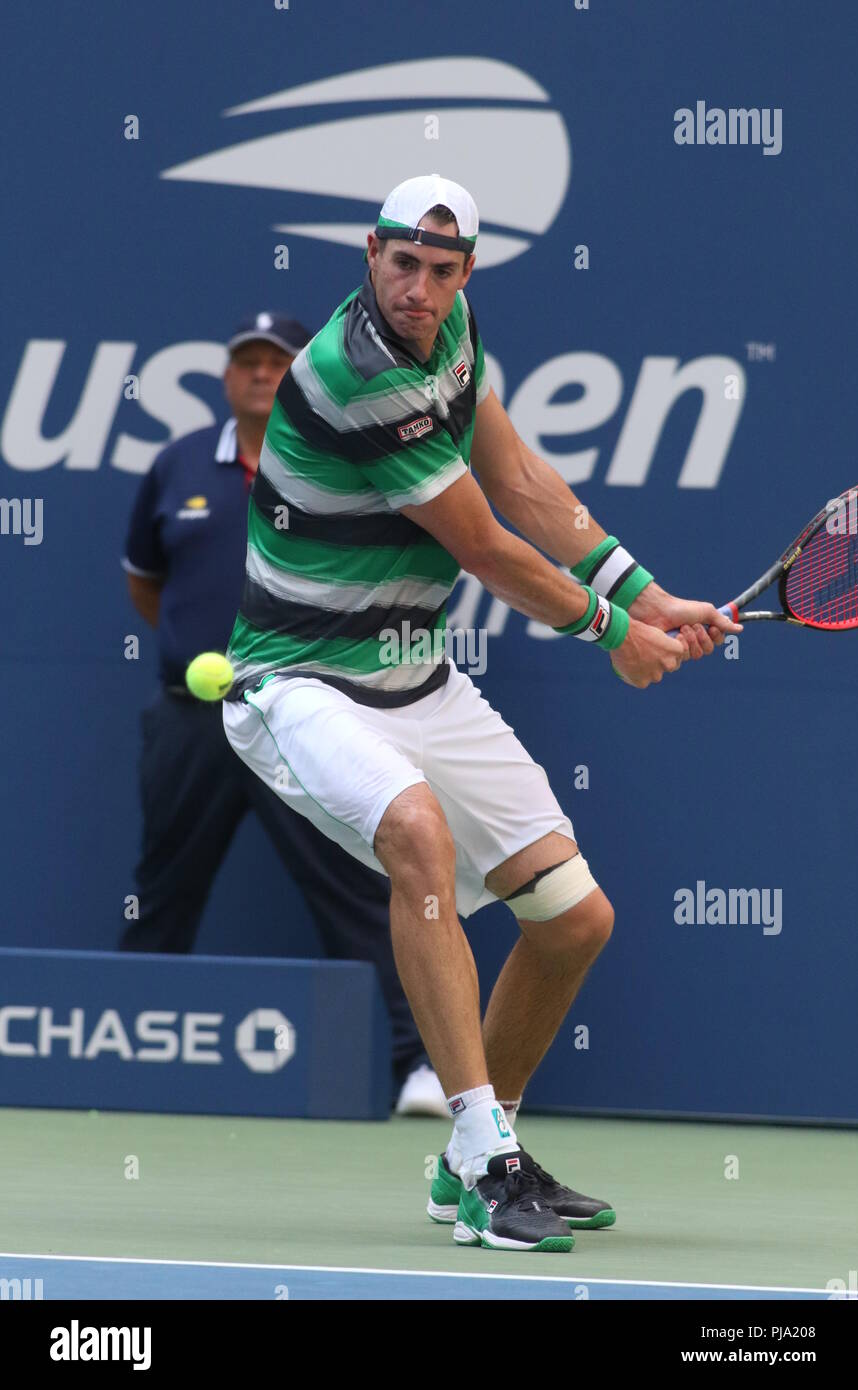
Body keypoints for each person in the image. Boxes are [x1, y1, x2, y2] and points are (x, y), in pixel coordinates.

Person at [222, 176, 741, 1252]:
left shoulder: (453, 332)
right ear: (370, 253)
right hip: (297, 682)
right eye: (401, 264)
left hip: (414, 675)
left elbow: (520, 483)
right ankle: (486, 1155)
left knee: (571, 920)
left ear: (467, 274)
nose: (418, 289)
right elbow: (483, 546)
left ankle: (474, 1161)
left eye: (441, 270)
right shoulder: (351, 372)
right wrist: (611, 636)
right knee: (416, 834)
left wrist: (644, 591)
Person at [120, 310, 448, 1116]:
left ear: (303, 374)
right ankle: (122, 1051)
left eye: (278, 361)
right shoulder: (177, 465)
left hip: (305, 713)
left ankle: (420, 1069)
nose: (261, 373)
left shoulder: (340, 458)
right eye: (247, 361)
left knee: (357, 891)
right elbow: (146, 584)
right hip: (193, 720)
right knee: (162, 892)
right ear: (228, 377)